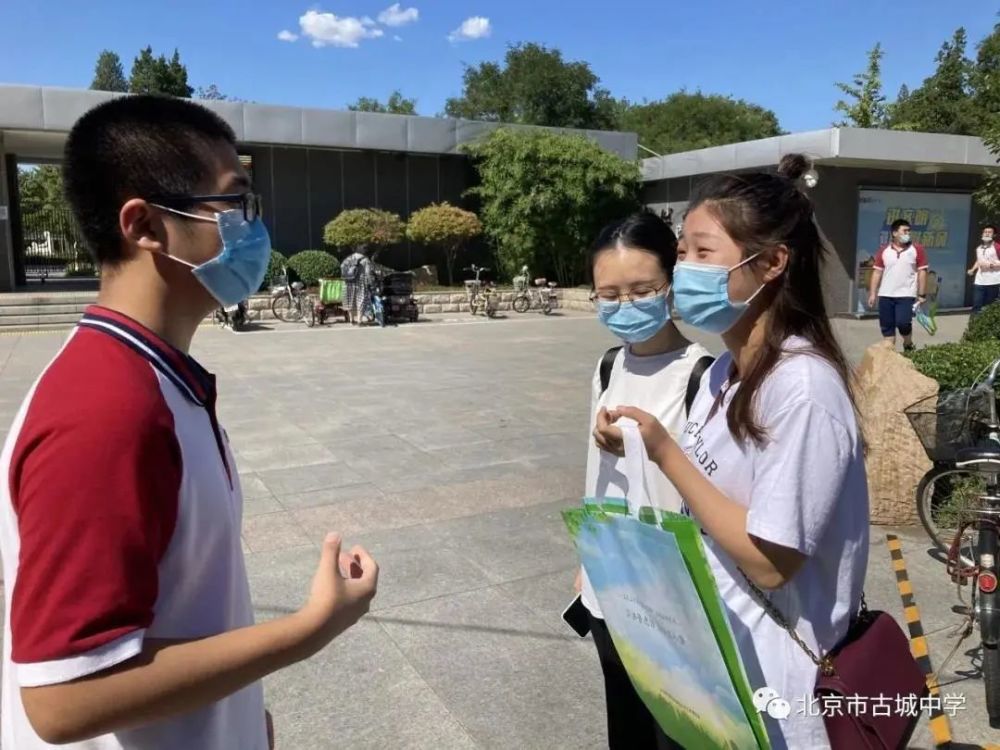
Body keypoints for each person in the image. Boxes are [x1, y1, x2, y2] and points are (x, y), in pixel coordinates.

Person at [0, 95, 379, 749]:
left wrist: (236, 714)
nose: (253, 227)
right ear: (145, 225)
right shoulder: (108, 411)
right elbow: (64, 699)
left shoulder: (150, 380)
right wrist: (310, 628)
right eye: (235, 205)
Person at [595, 155, 869, 750]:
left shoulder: (802, 389)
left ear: (770, 263)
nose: (683, 270)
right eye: (682, 253)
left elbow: (771, 562)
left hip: (780, 693)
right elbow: (712, 495)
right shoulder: (726, 371)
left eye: (701, 252)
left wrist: (665, 451)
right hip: (718, 672)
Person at [577, 211, 712, 749]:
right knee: (626, 728)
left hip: (675, 589)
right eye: (608, 294)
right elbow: (596, 476)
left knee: (679, 732)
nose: (624, 306)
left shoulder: (703, 376)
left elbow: (710, 488)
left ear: (671, 284)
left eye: (641, 290)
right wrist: (585, 561)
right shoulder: (610, 367)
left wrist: (649, 446)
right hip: (611, 581)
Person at [867, 218, 928, 351]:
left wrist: (922, 294)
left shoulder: (917, 249)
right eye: (904, 231)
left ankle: (908, 343)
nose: (908, 234)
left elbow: (922, 271)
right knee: (887, 329)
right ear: (894, 233)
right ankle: (890, 357)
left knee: (903, 324)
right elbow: (877, 273)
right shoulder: (884, 250)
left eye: (909, 231)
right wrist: (872, 293)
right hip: (885, 295)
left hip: (906, 295)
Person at [968, 224, 1000, 315]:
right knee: (976, 305)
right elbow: (979, 260)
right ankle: (973, 327)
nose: (987, 234)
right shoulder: (979, 248)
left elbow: (986, 264)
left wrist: (990, 266)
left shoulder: (997, 247)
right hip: (980, 280)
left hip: (994, 281)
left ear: (994, 235)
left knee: (990, 306)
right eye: (985, 232)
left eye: (989, 232)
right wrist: (973, 269)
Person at [342, 245, 377, 325]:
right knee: (360, 301)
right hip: (361, 282)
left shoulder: (349, 258)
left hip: (348, 282)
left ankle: (351, 320)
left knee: (350, 301)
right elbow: (368, 273)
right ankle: (359, 320)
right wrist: (371, 282)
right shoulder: (365, 260)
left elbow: (342, 267)